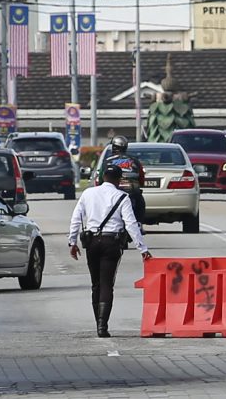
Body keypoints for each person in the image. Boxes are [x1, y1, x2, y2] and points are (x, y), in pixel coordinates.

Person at [68, 164, 152, 337]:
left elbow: (76, 218)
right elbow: (131, 224)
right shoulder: (122, 197)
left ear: (102, 177)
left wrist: (72, 241)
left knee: (95, 284)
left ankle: (97, 321)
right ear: (119, 180)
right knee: (107, 284)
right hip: (111, 243)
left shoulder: (88, 193)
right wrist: (142, 248)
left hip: (91, 243)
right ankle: (102, 326)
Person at [102, 135, 146, 224]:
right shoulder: (134, 161)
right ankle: (139, 223)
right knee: (140, 203)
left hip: (111, 193)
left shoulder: (107, 161)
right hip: (132, 193)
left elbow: (100, 179)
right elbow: (141, 179)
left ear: (114, 147)